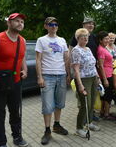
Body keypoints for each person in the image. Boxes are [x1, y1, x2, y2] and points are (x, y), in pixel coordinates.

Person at [0, 13, 28, 147]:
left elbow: (22, 58)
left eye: (22, 21)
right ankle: (1, 143)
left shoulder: (22, 40)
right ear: (9, 23)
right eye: (16, 21)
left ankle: (17, 137)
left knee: (15, 112)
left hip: (15, 82)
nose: (20, 23)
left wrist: (25, 70)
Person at [35, 17, 70, 145]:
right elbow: (38, 59)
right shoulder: (41, 40)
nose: (53, 26)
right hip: (47, 76)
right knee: (48, 105)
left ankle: (57, 125)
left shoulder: (62, 40)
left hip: (61, 75)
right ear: (46, 26)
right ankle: (47, 130)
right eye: (51, 24)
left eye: (55, 24)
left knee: (59, 103)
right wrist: (39, 77)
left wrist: (68, 74)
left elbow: (66, 58)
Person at [71, 28, 100, 138]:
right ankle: (79, 128)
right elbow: (76, 70)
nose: (85, 38)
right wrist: (80, 85)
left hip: (93, 78)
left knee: (92, 102)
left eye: (87, 36)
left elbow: (93, 64)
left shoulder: (88, 49)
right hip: (83, 79)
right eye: (83, 37)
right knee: (85, 104)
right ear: (77, 38)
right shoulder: (76, 50)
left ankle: (89, 123)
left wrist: (98, 77)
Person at [97, 31, 116, 120]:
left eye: (108, 38)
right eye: (105, 39)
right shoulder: (101, 50)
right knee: (108, 95)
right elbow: (100, 65)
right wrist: (104, 79)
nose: (107, 40)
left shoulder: (104, 48)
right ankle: (106, 114)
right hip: (107, 75)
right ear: (100, 40)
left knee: (105, 95)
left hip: (109, 73)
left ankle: (103, 112)